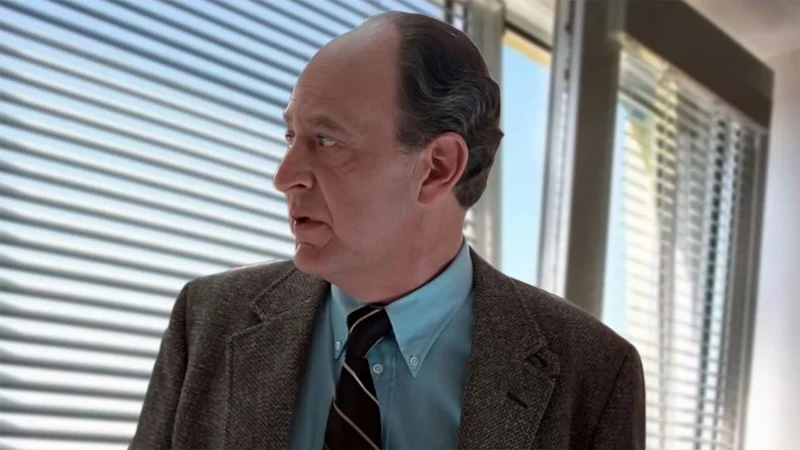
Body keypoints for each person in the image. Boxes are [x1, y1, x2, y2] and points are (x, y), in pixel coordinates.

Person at [130, 11, 645, 450]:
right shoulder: (207, 320)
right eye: (291, 137)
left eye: (326, 140)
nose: (284, 176)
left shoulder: (594, 373)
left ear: (438, 167)